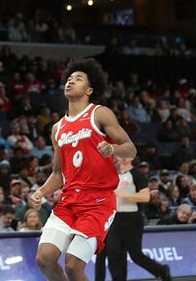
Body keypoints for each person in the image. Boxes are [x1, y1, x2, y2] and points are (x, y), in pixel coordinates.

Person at [32, 58, 136, 281]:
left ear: (89, 89)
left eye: (78, 79)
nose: (70, 81)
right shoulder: (57, 128)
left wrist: (113, 148)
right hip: (69, 201)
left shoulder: (100, 113)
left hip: (97, 203)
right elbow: (58, 173)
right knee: (44, 259)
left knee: (72, 266)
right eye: (69, 78)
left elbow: (131, 150)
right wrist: (41, 191)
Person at [94, 157, 170, 281]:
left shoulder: (136, 174)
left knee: (136, 255)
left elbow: (145, 197)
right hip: (115, 218)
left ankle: (161, 270)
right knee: (115, 254)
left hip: (132, 219)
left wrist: (124, 195)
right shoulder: (111, 174)